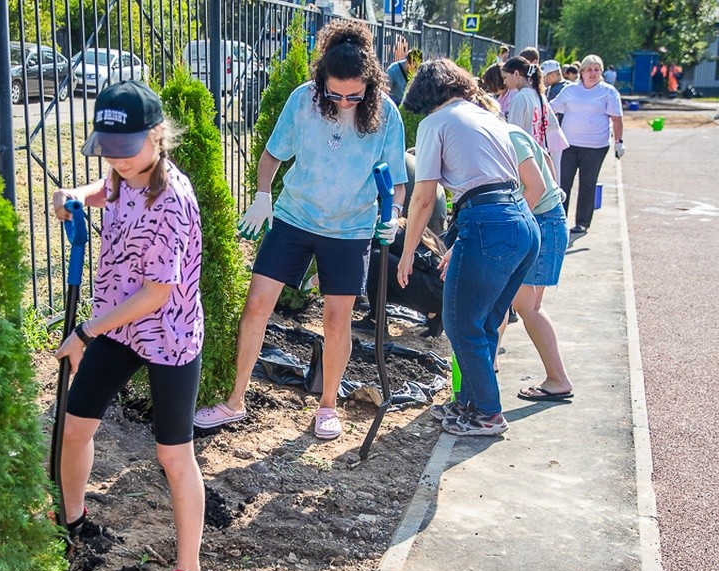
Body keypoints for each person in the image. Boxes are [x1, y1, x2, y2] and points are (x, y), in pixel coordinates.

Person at [194, 20, 407, 440]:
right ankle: (234, 402)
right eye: (335, 93)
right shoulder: (303, 101)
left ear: (369, 83)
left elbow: (397, 180)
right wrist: (262, 195)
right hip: (294, 217)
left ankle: (327, 406)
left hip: (350, 228)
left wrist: (394, 213)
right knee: (257, 304)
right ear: (321, 79)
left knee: (336, 318)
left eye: (354, 95)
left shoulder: (386, 113)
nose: (345, 102)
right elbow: (272, 156)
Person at [52, 81, 206, 571]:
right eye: (108, 151)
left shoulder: (173, 201)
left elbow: (155, 294)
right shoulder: (122, 175)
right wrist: (75, 195)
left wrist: (85, 333)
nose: (116, 161)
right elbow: (107, 189)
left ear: (157, 136)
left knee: (173, 454)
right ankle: (73, 521)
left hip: (167, 334)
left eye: (126, 150)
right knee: (75, 427)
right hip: (119, 329)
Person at [398, 58, 541, 436]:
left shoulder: (435, 123)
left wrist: (410, 251)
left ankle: (488, 414)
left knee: (461, 325)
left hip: (487, 224)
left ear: (427, 97)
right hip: (522, 224)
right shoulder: (488, 116)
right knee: (488, 321)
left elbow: (424, 198)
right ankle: (469, 403)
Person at [499, 122, 574, 401]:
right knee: (506, 299)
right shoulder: (505, 133)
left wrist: (511, 223)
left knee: (527, 306)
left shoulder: (509, 136)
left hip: (544, 221)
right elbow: (547, 160)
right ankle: (489, 363)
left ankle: (558, 379)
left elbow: (538, 186)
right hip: (542, 219)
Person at [550, 54, 624, 234]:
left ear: (601, 72)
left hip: (595, 146)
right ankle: (560, 220)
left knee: (587, 184)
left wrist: (619, 142)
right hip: (569, 145)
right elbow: (552, 109)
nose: (593, 73)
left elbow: (617, 118)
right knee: (563, 182)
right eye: (589, 69)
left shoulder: (608, 91)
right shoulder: (570, 90)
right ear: (581, 72)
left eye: (597, 69)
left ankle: (582, 222)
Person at [357, 220, 446, 338]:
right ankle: (433, 314)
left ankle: (376, 320)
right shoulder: (414, 230)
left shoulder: (389, 230)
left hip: (434, 291)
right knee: (384, 275)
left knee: (375, 259)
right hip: (444, 296)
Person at [501, 55, 562, 156]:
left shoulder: (520, 98)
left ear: (516, 74)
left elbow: (514, 134)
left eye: (505, 77)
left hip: (526, 156)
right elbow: (553, 125)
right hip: (540, 154)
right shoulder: (539, 95)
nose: (504, 82)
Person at [385, 36, 420, 108]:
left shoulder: (420, 71)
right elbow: (385, 90)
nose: (416, 70)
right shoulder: (393, 70)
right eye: (415, 67)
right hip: (395, 103)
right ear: (407, 62)